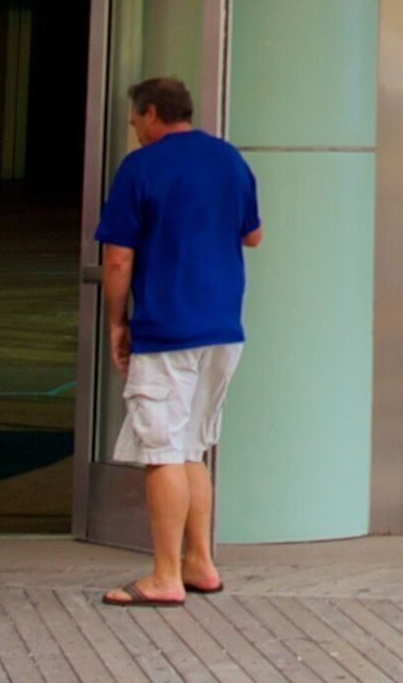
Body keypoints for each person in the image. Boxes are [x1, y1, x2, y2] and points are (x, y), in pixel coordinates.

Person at [92, 77, 261, 609]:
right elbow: (253, 234)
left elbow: (117, 257)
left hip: (167, 328)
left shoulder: (141, 167)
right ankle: (200, 563)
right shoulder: (230, 159)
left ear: (150, 112)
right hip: (223, 329)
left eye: (135, 119)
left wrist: (117, 322)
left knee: (161, 450)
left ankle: (165, 575)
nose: (134, 129)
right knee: (192, 447)